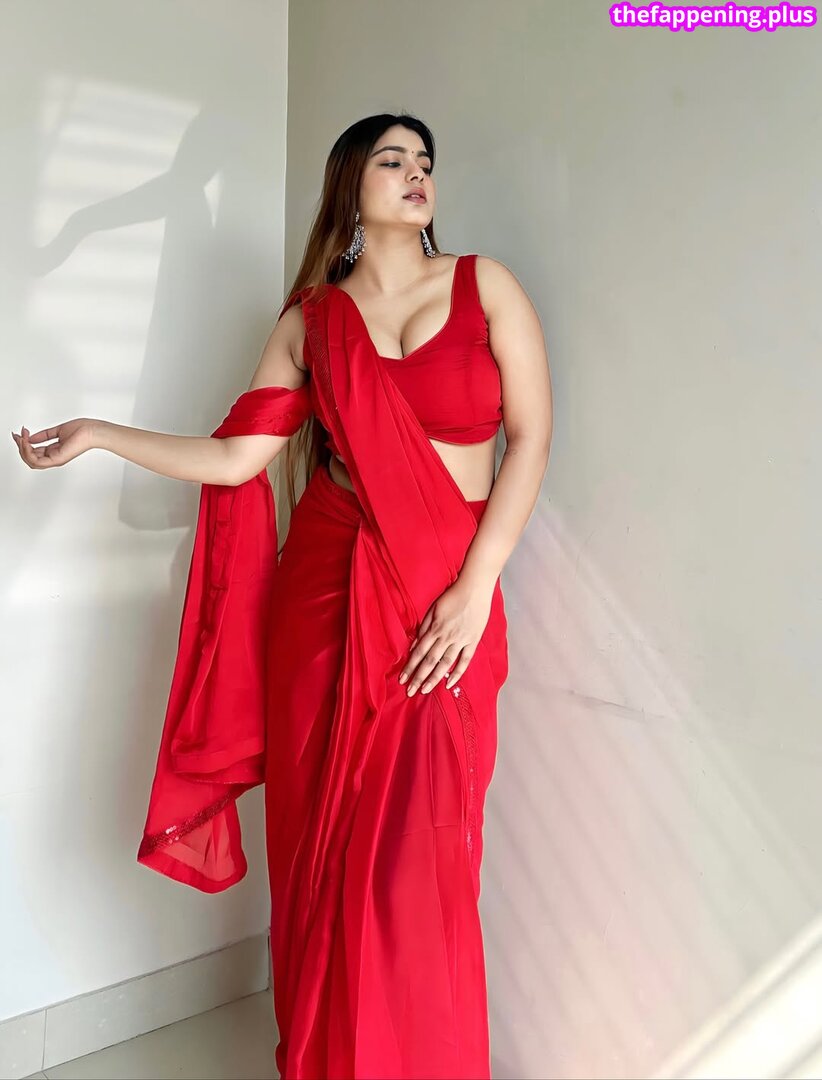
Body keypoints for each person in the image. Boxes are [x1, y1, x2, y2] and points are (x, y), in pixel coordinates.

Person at [12, 112, 553, 1080]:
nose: (417, 173)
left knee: (423, 858)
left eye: (425, 162)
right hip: (324, 599)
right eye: (393, 159)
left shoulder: (486, 287)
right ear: (351, 185)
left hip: (446, 597)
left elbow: (532, 440)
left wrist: (477, 588)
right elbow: (236, 458)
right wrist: (99, 434)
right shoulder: (312, 322)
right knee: (321, 850)